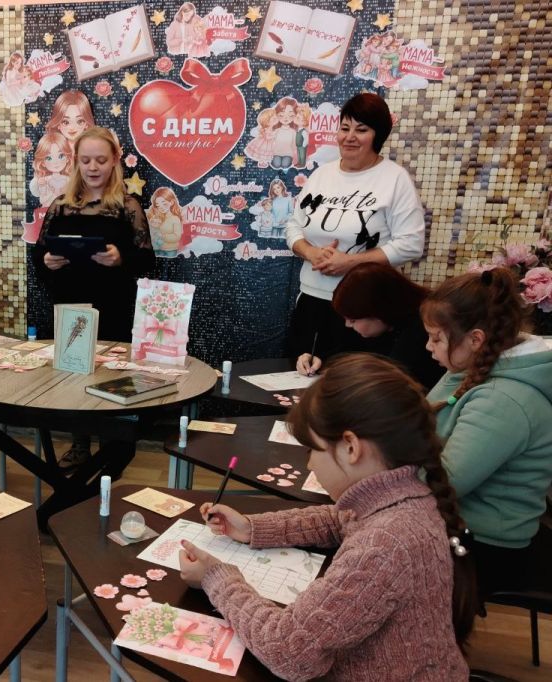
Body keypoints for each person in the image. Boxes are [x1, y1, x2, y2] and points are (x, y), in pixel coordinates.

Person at [179, 355, 475, 681]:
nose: (310, 465)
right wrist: (252, 528)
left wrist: (215, 578)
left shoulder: (386, 543)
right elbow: (339, 520)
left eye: (313, 450)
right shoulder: (403, 497)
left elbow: (287, 650)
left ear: (350, 447)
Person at [422, 267, 552, 598]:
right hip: (457, 523)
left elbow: (445, 483)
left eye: (436, 338)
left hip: (487, 545)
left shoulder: (504, 399)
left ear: (476, 339)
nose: (428, 347)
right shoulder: (470, 366)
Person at [32, 126, 154, 467]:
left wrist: (120, 258)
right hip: (71, 305)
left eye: (100, 159)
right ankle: (79, 445)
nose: (93, 167)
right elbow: (38, 257)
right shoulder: (60, 207)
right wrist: (47, 260)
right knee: (73, 375)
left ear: (114, 161)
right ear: (76, 163)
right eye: (85, 160)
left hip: (114, 306)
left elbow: (148, 260)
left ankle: (112, 448)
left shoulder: (128, 207)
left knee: (111, 376)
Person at [285, 92, 426, 365]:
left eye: (361, 130)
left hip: (366, 310)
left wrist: (350, 262)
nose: (349, 137)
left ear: (378, 136)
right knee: (298, 377)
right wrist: (311, 253)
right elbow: (294, 226)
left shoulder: (395, 179)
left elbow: (411, 244)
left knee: (354, 382)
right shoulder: (322, 175)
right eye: (345, 128)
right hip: (312, 300)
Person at [296, 262, 444, 390]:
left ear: (378, 312)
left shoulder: (421, 329)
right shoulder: (377, 325)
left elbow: (391, 378)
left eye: (353, 320)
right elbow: (346, 350)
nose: (347, 325)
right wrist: (318, 360)